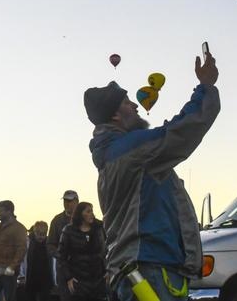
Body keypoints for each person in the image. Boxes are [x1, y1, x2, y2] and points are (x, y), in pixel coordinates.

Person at [84, 48, 220, 301]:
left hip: (140, 270)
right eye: (127, 102)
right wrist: (205, 86)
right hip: (150, 269)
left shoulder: (113, 155)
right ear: (115, 114)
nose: (135, 105)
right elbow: (180, 130)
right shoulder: (132, 149)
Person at [56, 202, 106, 301]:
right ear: (80, 214)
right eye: (88, 211)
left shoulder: (99, 228)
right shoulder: (69, 230)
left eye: (92, 211)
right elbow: (61, 256)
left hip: (98, 279)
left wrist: (107, 271)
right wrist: (68, 277)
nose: (92, 214)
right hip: (78, 280)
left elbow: (106, 250)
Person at [46, 190, 78, 299]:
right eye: (65, 200)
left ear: (77, 201)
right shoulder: (57, 221)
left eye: (70, 200)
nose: (67, 203)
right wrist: (61, 255)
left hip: (83, 268)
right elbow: (50, 244)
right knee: (65, 296)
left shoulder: (85, 218)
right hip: (64, 269)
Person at [22, 222, 54, 301]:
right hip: (30, 278)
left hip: (45, 278)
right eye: (39, 234)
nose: (41, 237)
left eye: (43, 234)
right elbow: (23, 260)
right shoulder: (28, 243)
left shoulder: (49, 244)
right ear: (34, 232)